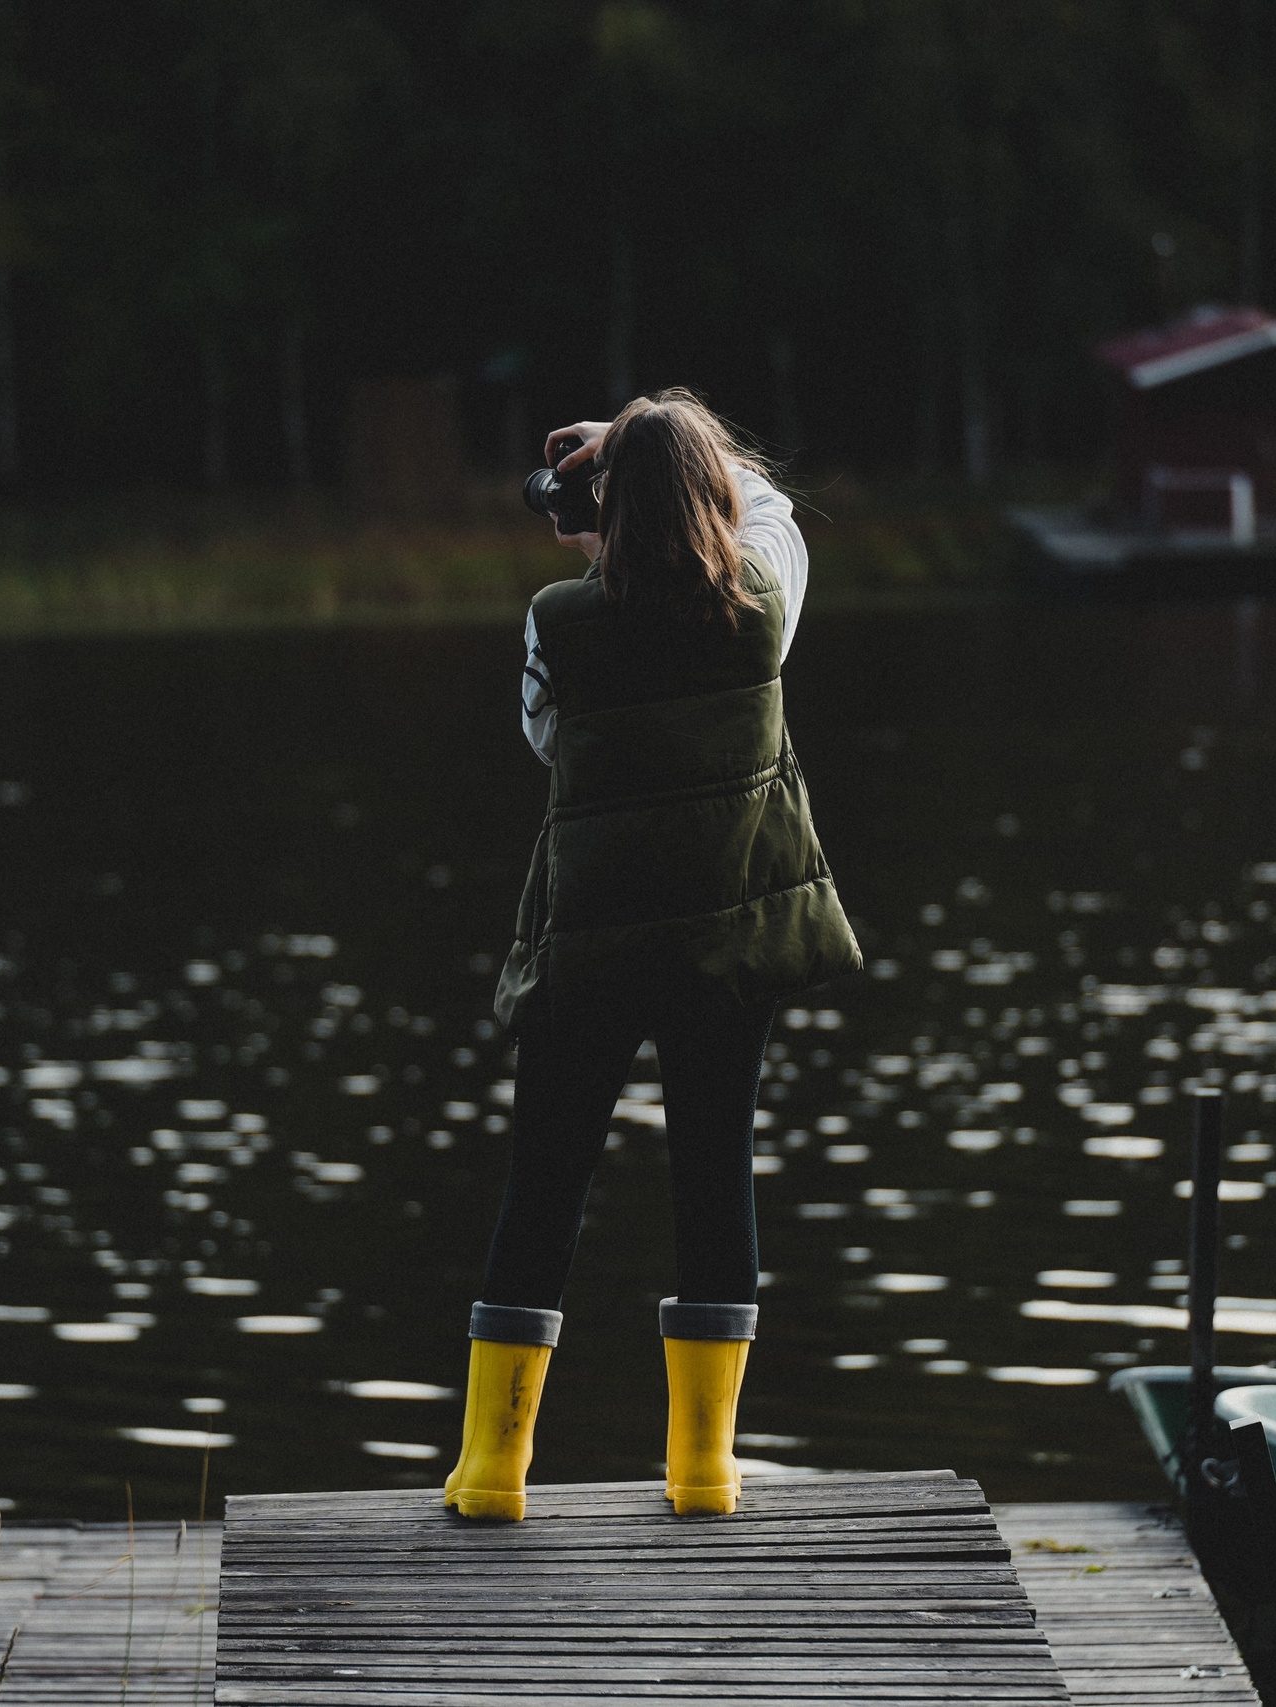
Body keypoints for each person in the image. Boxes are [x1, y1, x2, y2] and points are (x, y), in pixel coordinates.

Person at [443, 388, 862, 1521]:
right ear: (711, 492)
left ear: (608, 508)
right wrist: (642, 444)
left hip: (591, 945)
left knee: (546, 1180)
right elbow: (768, 511)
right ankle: (705, 1472)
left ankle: (493, 1472)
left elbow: (547, 739)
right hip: (729, 942)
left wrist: (605, 520)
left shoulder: (556, 620)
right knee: (714, 1175)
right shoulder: (763, 602)